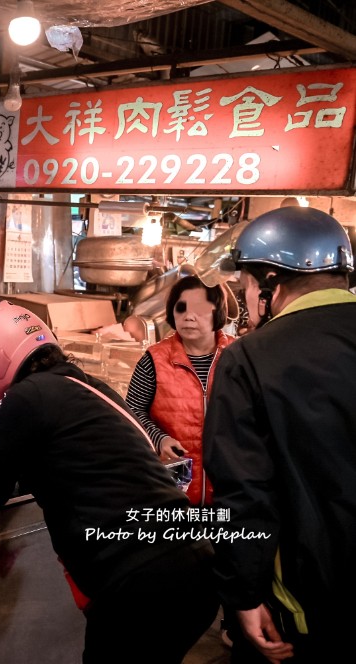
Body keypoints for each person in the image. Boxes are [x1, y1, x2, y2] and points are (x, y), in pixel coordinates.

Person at [0, 300, 218, 663]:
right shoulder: (88, 386)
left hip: (140, 582)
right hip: (195, 566)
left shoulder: (26, 397)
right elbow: (70, 462)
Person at [202, 206, 356, 663]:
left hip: (307, 604)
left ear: (270, 281)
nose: (245, 297)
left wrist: (243, 597)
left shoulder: (249, 359)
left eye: (246, 284)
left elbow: (244, 493)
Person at [126, 275, 234, 506]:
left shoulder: (239, 357)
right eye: (181, 308)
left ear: (217, 311)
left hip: (230, 489)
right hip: (173, 486)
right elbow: (131, 411)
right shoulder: (153, 360)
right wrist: (159, 439)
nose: (188, 316)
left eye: (199, 309)